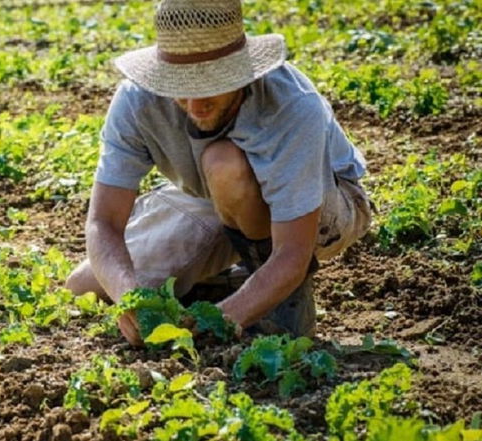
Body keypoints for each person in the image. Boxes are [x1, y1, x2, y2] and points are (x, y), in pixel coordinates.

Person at [65, 0, 372, 346]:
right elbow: (103, 222)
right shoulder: (138, 102)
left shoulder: (291, 105)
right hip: (214, 199)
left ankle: (281, 301)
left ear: (240, 70)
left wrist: (218, 320)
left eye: (210, 85)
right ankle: (230, 282)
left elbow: (292, 253)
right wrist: (128, 296)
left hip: (323, 205)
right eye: (180, 86)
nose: (195, 105)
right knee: (85, 285)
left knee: (223, 162)